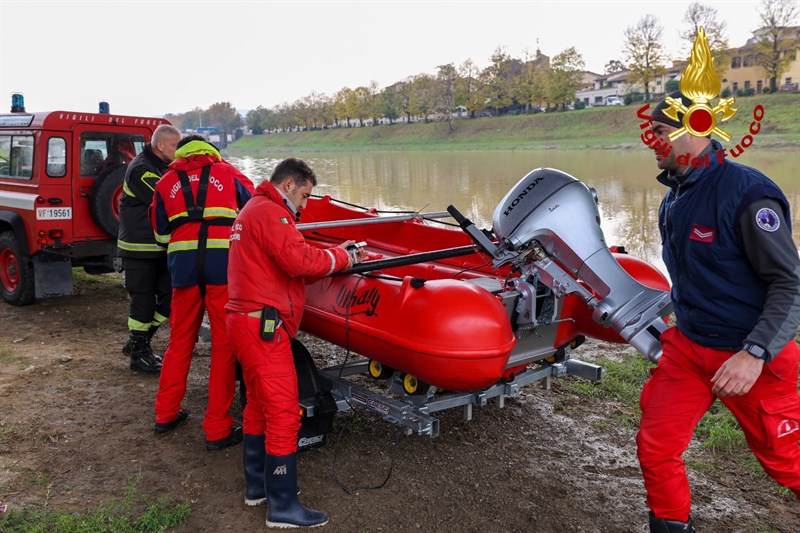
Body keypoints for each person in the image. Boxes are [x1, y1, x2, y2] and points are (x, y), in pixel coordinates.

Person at [637, 91, 800, 532]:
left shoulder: (748, 194)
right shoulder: (674, 198)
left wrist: (755, 353)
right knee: (656, 448)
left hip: (753, 356)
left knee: (787, 464)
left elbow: (790, 283)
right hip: (689, 351)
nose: (650, 140)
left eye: (659, 131)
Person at [225, 158, 363, 528]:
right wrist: (344, 257)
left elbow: (286, 253)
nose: (304, 204)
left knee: (257, 404)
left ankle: (258, 487)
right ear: (288, 185)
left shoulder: (252, 210)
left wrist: (333, 251)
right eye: (304, 195)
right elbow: (299, 260)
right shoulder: (271, 213)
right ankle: (283, 505)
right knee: (285, 413)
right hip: (262, 327)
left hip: (245, 323)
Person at [150, 135, 254, 451]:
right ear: (210, 150)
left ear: (180, 153)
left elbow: (159, 234)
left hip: (183, 268)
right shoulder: (229, 172)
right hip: (222, 267)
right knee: (223, 346)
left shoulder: (164, 182)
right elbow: (256, 210)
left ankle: (166, 414)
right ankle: (217, 428)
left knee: (180, 340)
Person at [118, 124, 181, 374]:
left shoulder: (164, 165)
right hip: (138, 249)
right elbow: (169, 201)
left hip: (159, 248)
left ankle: (137, 343)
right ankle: (138, 353)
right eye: (176, 146)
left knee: (168, 299)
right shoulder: (141, 168)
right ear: (161, 145)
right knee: (143, 302)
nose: (180, 151)